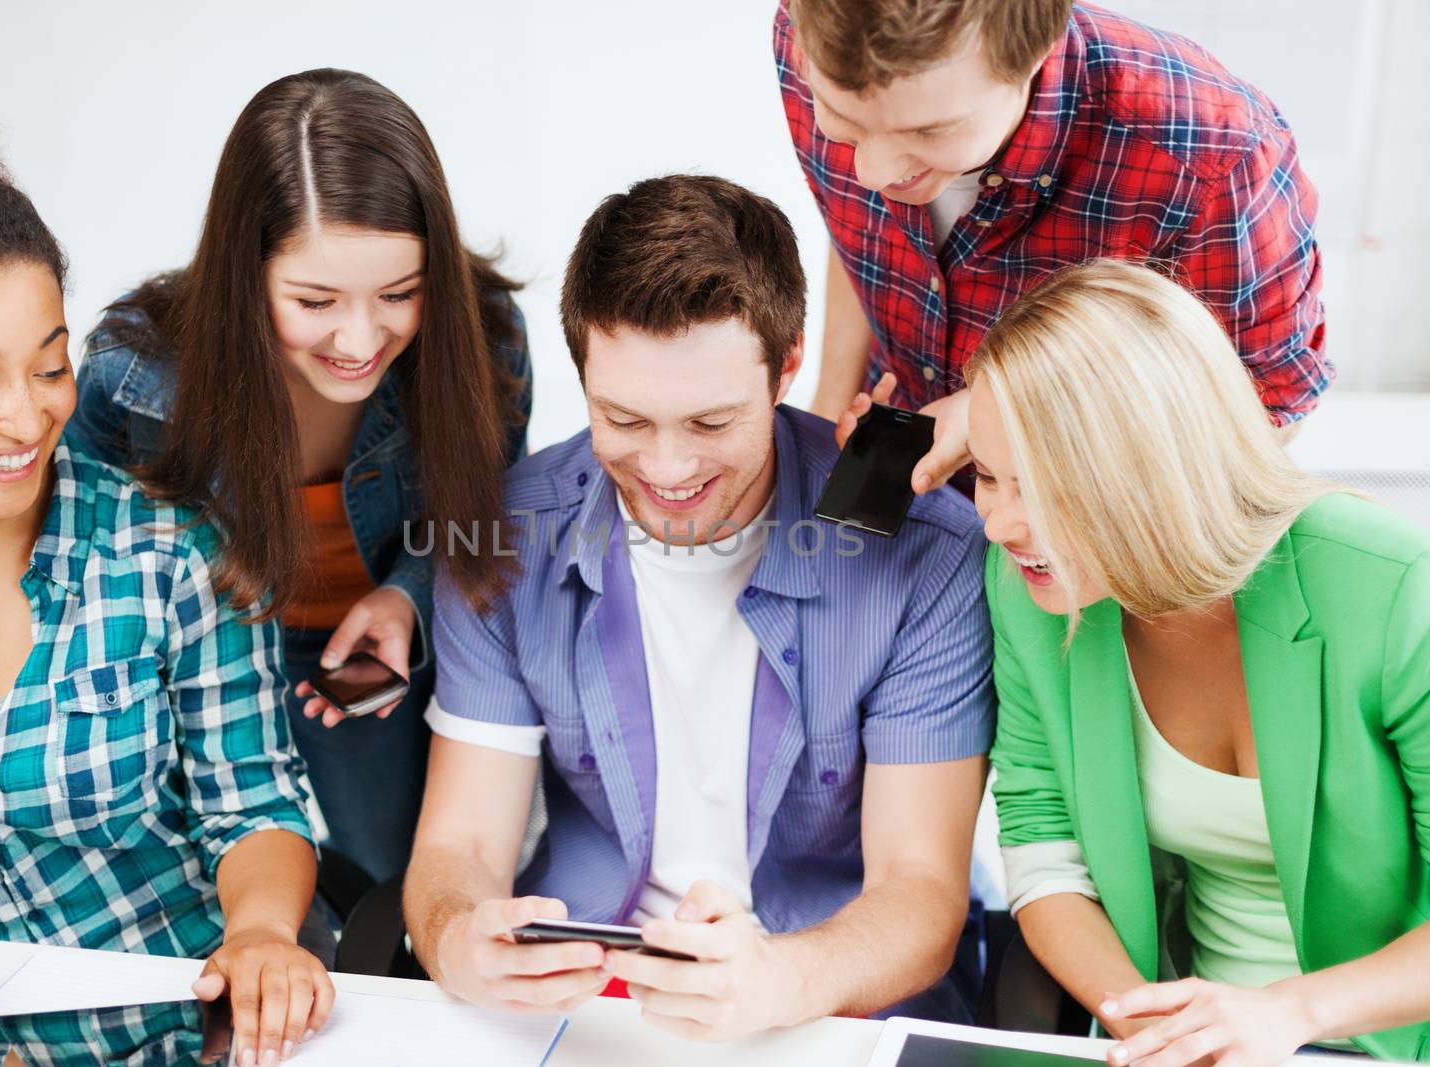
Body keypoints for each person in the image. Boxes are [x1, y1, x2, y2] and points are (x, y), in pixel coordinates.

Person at [402, 174, 996, 1038]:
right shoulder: (501, 538)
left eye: (711, 423)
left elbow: (920, 891)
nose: (669, 469)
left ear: (789, 363)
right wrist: (458, 939)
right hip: (582, 1007)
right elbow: (461, 849)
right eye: (626, 419)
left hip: (828, 1000)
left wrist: (777, 979)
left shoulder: (924, 550)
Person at [0, 102, 329, 1065]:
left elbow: (256, 802)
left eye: (51, 367)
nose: (27, 417)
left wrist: (263, 933)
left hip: (188, 1037)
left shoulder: (172, 550)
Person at [69, 68, 533, 885]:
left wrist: (407, 598)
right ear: (244, 271)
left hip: (365, 663)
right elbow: (78, 552)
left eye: (400, 293)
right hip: (198, 661)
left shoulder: (484, 340)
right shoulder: (136, 369)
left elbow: (483, 518)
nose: (360, 338)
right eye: (316, 301)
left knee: (394, 885)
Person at [974, 260, 1430, 1065]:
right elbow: (1044, 855)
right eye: (986, 475)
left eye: (1039, 486)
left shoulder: (1386, 584)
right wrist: (1151, 1028)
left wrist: (1287, 1014)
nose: (1001, 522)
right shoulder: (1030, 590)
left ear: (1151, 471)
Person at [773, 0, 1328, 490]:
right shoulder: (810, 37)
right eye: (843, 124)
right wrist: (824, 409)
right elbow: (861, 238)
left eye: (929, 133)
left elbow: (1270, 412)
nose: (871, 171)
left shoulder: (1215, 157)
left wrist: (1005, 416)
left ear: (1036, 50)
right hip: (895, 457)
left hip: (1087, 504)